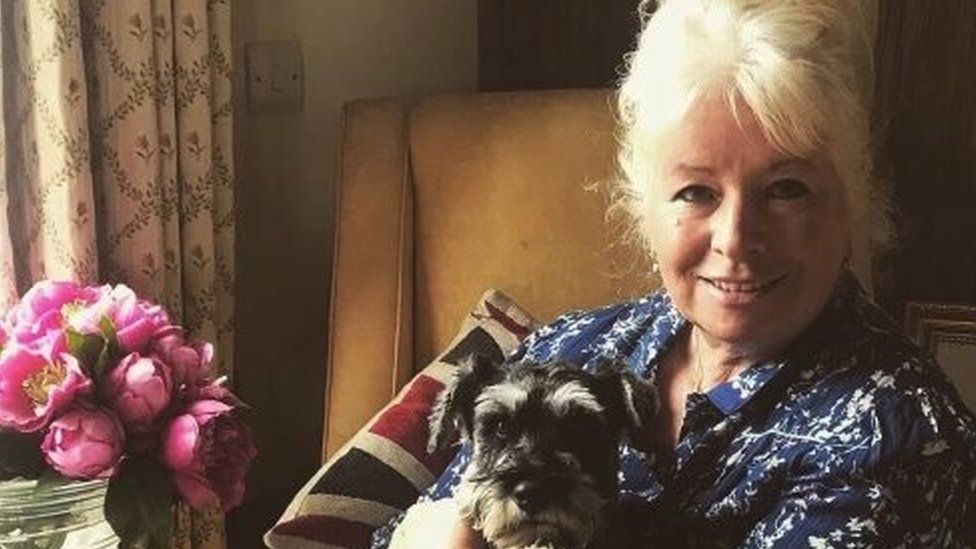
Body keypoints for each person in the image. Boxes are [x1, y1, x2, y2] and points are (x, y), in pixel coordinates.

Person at [372, 0, 976, 546]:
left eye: (787, 189)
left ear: (851, 204)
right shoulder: (573, 344)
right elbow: (412, 527)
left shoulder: (895, 436)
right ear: (646, 208)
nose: (737, 239)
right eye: (696, 191)